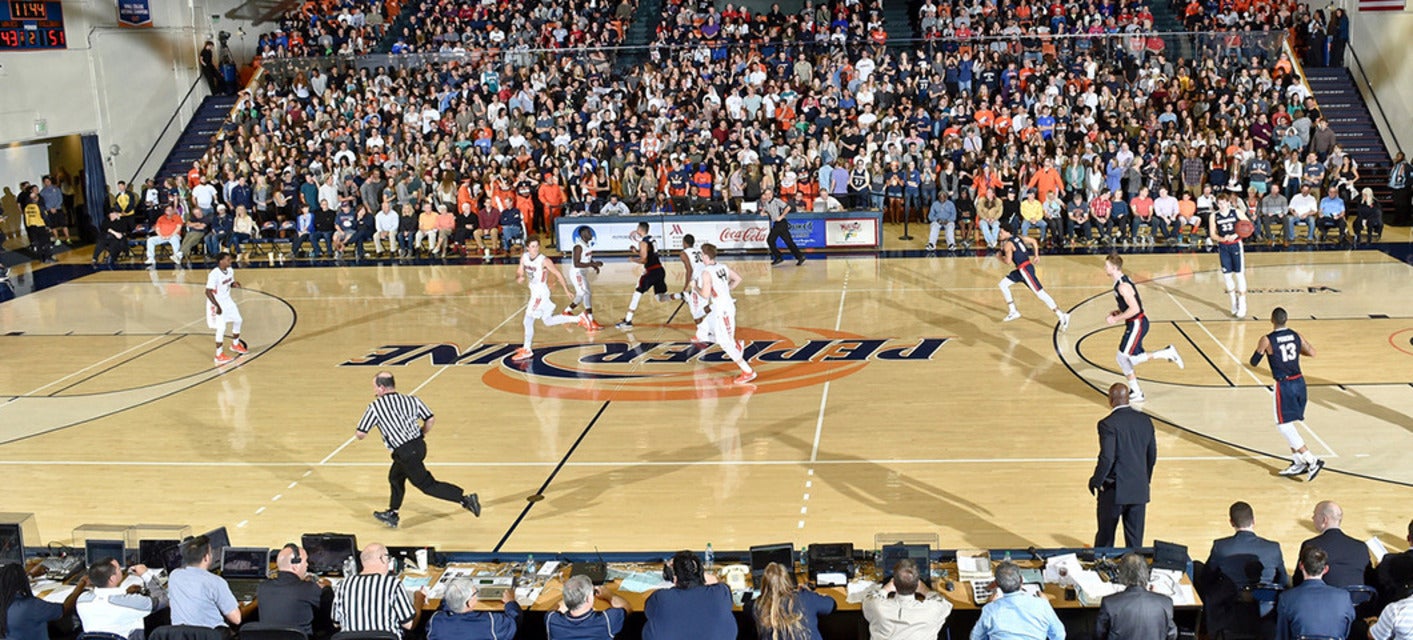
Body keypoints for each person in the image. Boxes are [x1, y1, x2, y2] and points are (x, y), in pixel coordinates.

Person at [355, 371, 481, 527]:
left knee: (427, 485)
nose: (374, 391)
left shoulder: (375, 407)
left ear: (381, 387)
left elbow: (361, 434)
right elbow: (430, 418)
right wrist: (423, 432)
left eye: (374, 387)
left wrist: (362, 433)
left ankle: (465, 499)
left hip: (405, 452)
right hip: (418, 446)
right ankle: (392, 513)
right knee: (395, 477)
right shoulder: (412, 400)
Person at [1248, 306, 1325, 481]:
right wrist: (1296, 352)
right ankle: (1298, 462)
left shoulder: (1267, 339)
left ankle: (1311, 460)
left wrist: (1264, 350)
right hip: (1300, 382)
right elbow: (1312, 352)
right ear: (1286, 319)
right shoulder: (1297, 335)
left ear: (1272, 320)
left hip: (1284, 385)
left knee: (1283, 426)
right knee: (1289, 423)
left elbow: (1254, 362)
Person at [1200, 502, 1288, 638]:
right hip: (1265, 609)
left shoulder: (1221, 547)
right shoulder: (1273, 548)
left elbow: (1207, 576)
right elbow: (1283, 580)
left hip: (1230, 608)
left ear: (1231, 522)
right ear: (1254, 521)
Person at [1104, 253, 1184, 403]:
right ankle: (1136, 391)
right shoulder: (1121, 282)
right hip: (1134, 323)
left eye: (1107, 266)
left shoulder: (1122, 286)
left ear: (1114, 268)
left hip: (1137, 323)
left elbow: (1135, 309)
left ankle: (1167, 353)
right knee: (1123, 358)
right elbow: (1131, 305)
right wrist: (1119, 312)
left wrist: (1116, 318)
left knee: (1128, 358)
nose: (1105, 268)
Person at [1088, 383, 1157, 548]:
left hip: (1114, 491)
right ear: (1128, 398)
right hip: (1138, 489)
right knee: (1135, 544)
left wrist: (1096, 480)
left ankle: (1102, 563)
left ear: (1110, 399)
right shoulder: (1145, 420)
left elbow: (1107, 458)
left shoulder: (1107, 424)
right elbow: (1152, 455)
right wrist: (1144, 480)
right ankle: (1133, 565)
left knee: (1105, 540)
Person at [514, 236, 586, 361]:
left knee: (528, 320)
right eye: (533, 246)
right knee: (547, 321)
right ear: (527, 248)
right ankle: (579, 318)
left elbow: (558, 274)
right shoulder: (524, 257)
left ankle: (527, 349)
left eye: (537, 246)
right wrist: (519, 276)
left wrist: (566, 289)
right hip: (535, 292)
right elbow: (520, 270)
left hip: (540, 293)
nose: (535, 249)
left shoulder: (544, 260)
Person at [696, 243, 756, 384]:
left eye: (702, 255)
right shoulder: (722, 266)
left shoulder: (706, 273)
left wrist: (695, 287)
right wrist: (725, 291)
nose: (701, 257)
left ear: (706, 256)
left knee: (725, 343)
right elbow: (738, 279)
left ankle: (748, 371)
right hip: (718, 308)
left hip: (723, 310)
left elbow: (705, 295)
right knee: (700, 334)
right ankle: (736, 345)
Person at [333, 544, 423, 637]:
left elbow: (336, 623)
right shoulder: (392, 583)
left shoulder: (343, 585)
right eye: (388, 558)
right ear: (383, 558)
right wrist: (419, 601)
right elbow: (409, 624)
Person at [642, 551, 736, 640]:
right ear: (702, 574)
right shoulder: (721, 593)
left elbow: (648, 609)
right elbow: (717, 583)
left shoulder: (661, 598)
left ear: (674, 578)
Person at [997, 225, 1070, 330]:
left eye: (1001, 232)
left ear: (1007, 232)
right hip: (1022, 269)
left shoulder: (1008, 244)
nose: (1000, 234)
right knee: (1003, 284)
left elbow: (1008, 261)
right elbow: (1034, 241)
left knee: (1040, 293)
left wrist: (1000, 257)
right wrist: (1036, 255)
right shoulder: (1019, 237)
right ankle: (1013, 311)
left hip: (1025, 271)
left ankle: (1062, 315)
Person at [1274, 546, 1355, 640]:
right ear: (1326, 569)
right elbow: (1347, 631)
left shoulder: (1286, 598)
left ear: (1301, 565)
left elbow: (1282, 635)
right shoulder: (1343, 597)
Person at [77, 557, 168, 640]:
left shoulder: (82, 600)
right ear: (112, 579)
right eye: (118, 569)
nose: (121, 570)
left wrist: (126, 592)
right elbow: (164, 599)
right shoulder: (133, 603)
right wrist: (146, 575)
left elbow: (107, 602)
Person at [970, 561, 1064, 640]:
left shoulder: (990, 610)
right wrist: (1046, 603)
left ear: (997, 585)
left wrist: (989, 604)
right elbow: (1059, 636)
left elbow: (975, 638)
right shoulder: (1042, 605)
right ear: (1021, 580)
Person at [861, 559, 952, 640]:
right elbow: (946, 604)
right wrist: (925, 590)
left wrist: (886, 589)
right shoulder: (933, 610)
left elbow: (868, 600)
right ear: (917, 584)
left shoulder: (877, 607)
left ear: (894, 583)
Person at [1094, 553, 1176, 640]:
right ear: (1147, 573)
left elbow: (1099, 635)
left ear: (1122, 574)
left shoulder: (1109, 603)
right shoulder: (1165, 602)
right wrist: (1155, 597)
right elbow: (1172, 634)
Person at [257, 544, 332, 637]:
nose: (307, 565)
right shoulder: (308, 588)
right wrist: (327, 588)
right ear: (295, 565)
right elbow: (329, 611)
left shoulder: (262, 587)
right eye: (305, 561)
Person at [747, 562, 835, 640]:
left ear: (763, 585)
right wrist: (810, 592)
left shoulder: (756, 606)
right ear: (788, 581)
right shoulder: (805, 597)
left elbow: (746, 607)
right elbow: (832, 605)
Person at [168, 535, 241, 629]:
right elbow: (236, 619)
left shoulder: (174, 576)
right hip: (213, 634)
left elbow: (171, 603)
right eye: (211, 552)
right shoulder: (216, 582)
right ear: (206, 558)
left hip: (182, 634)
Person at [1, 562, 87, 640]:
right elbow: (65, 609)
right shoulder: (31, 606)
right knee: (78, 630)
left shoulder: (5, 602)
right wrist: (80, 586)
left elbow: (13, 583)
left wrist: (31, 575)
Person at [1295, 501, 1369, 588]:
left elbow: (1298, 580)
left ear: (1324, 519)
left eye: (1315, 514)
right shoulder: (1361, 547)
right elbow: (1370, 579)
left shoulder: (1311, 545)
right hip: (1359, 596)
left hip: (1324, 596)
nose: (1312, 518)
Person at [616, 222, 672, 329]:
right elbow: (649, 254)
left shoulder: (643, 242)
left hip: (651, 271)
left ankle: (628, 320)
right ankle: (682, 295)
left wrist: (633, 259)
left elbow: (644, 260)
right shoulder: (652, 239)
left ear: (640, 230)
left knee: (637, 293)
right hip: (659, 270)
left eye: (637, 228)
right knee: (660, 297)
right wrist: (637, 252)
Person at [427, 577, 521, 640]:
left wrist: (452, 598)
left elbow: (443, 608)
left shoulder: (434, 622)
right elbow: (514, 622)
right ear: (468, 603)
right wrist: (510, 602)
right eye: (475, 594)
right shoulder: (490, 622)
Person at [545, 575, 630, 639]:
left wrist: (571, 595)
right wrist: (609, 595)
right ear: (588, 599)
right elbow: (626, 607)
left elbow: (554, 609)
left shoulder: (551, 620)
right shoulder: (607, 620)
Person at [1209, 195, 1248, 318]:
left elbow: (1248, 225)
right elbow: (1212, 234)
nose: (1222, 206)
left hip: (1236, 245)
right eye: (1219, 204)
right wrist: (1222, 238)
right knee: (1227, 276)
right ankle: (1233, 302)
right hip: (1223, 247)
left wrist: (1236, 234)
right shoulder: (1214, 216)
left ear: (1228, 203)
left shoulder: (1236, 212)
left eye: (1223, 203)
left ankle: (1242, 303)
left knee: (1239, 274)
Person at [206, 252, 247, 365]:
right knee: (221, 328)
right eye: (228, 260)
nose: (230, 261)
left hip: (227, 300)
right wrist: (217, 306)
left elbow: (230, 282)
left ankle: (235, 344)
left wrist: (234, 284)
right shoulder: (214, 274)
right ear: (221, 261)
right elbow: (208, 292)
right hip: (216, 302)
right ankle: (218, 355)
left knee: (238, 320)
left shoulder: (230, 270)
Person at [561, 227, 604, 331]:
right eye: (588, 232)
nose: (591, 234)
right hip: (577, 273)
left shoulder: (587, 245)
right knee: (586, 293)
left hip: (582, 272)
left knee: (580, 295)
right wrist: (593, 264)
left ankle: (566, 311)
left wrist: (594, 265)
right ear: (583, 234)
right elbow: (576, 263)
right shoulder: (578, 247)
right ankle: (590, 320)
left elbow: (588, 258)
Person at [761, 188, 805, 266]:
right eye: (766, 194)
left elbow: (788, 207)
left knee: (771, 240)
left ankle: (779, 257)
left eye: (770, 194)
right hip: (776, 224)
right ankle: (799, 256)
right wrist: (764, 213)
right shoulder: (766, 203)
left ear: (772, 194)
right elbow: (769, 211)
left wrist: (781, 216)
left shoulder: (776, 201)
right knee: (787, 241)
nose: (768, 196)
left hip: (781, 223)